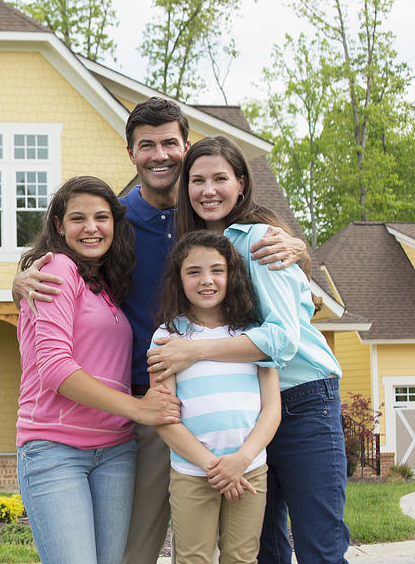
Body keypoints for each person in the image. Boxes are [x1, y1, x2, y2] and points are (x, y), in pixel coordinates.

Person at [13, 97, 308, 564]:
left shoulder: (215, 213)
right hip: (147, 405)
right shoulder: (117, 220)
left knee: (243, 545)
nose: (160, 154)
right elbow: (71, 271)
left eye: (170, 143)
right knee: (136, 548)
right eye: (146, 145)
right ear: (130, 153)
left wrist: (296, 243)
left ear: (186, 147)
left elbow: (276, 262)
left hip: (231, 401)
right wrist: (20, 279)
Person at [147, 135, 349, 564]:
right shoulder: (200, 247)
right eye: (197, 180)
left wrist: (195, 352)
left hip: (300, 401)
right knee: (264, 551)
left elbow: (281, 341)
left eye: (220, 178)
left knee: (319, 547)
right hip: (248, 411)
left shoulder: (259, 240)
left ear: (241, 183)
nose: (208, 190)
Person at [16, 175, 181, 564]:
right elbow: (55, 368)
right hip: (57, 449)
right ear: (59, 225)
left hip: (114, 452)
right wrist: (139, 409)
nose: (91, 228)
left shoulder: (104, 285)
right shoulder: (56, 268)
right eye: (78, 218)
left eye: (101, 217)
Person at [151, 229, 281, 564]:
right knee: (194, 558)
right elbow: (164, 417)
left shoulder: (254, 333)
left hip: (249, 467)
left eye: (217, 270)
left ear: (231, 275)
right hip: (194, 471)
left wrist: (239, 462)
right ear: (179, 280)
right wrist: (214, 467)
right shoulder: (167, 337)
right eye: (193, 271)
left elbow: (271, 410)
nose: (206, 280)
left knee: (242, 557)